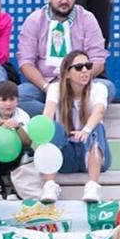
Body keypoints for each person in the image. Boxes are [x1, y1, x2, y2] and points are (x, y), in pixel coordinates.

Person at [15, 0, 109, 119]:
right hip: (46, 82)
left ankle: (64, 114)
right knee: (20, 95)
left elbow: (98, 60)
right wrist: (47, 88)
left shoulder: (87, 18)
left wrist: (79, 79)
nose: (64, 1)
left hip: (80, 83)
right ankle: (63, 117)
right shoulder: (34, 20)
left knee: (107, 88)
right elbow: (26, 62)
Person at [42, 48, 111, 204]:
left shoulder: (99, 88)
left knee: (96, 127)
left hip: (92, 152)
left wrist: (85, 131)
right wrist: (45, 130)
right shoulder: (55, 88)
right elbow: (48, 111)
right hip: (67, 155)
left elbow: (99, 112)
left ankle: (93, 185)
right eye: (79, 67)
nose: (85, 70)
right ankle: (50, 185)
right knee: (53, 127)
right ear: (67, 73)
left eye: (88, 65)